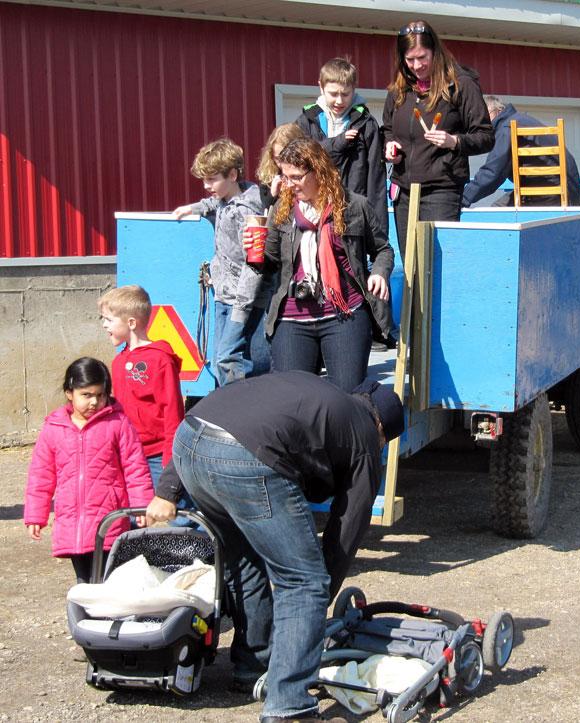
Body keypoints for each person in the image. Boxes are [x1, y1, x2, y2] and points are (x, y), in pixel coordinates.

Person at [144, 371, 404, 721]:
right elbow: (346, 531)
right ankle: (289, 704)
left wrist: (169, 488)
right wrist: (315, 600)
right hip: (244, 458)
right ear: (383, 431)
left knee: (244, 561)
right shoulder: (366, 438)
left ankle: (255, 666)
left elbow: (222, 406)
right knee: (305, 582)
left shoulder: (313, 391)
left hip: (190, 443)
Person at [259, 137, 394, 392]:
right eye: (285, 177)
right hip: (292, 316)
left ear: (318, 171)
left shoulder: (355, 206)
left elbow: (383, 250)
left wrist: (379, 273)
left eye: (296, 177)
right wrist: (254, 253)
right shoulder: (281, 209)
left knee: (346, 394)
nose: (289, 184)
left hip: (344, 314)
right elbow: (270, 263)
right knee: (291, 396)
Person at [23, 358, 154, 584]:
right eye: (86, 395)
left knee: (108, 580)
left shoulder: (118, 423)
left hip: (109, 520)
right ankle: (84, 618)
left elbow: (135, 467)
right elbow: (41, 474)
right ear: (69, 393)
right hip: (72, 523)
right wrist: (36, 514)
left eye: (100, 395)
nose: (94, 401)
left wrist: (141, 506)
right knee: (83, 581)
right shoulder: (53, 428)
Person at [296, 57, 396, 350]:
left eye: (346, 94)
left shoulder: (366, 122)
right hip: (314, 207)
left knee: (357, 265)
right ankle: (319, 327)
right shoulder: (308, 119)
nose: (339, 100)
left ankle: (375, 329)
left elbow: (376, 175)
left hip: (353, 206)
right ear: (321, 87)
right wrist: (335, 143)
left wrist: (377, 217)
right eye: (333, 93)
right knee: (315, 261)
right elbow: (300, 157)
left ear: (355, 90)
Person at [382, 19, 493, 257]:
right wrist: (389, 145)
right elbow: (387, 129)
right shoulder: (398, 90)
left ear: (435, 52)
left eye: (422, 57)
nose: (416, 65)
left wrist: (454, 141)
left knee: (438, 266)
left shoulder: (461, 85)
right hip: (404, 191)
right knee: (412, 267)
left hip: (442, 190)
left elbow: (485, 136)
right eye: (409, 60)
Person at [173, 137, 270, 386]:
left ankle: (236, 409)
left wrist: (242, 307)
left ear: (233, 174)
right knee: (220, 357)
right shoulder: (226, 200)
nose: (206, 186)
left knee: (229, 357)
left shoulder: (246, 212)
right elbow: (212, 203)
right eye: (204, 179)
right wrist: (192, 208)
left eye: (212, 179)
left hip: (242, 299)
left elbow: (254, 264)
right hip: (223, 294)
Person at [97, 284, 198, 525]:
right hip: (128, 454)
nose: (104, 325)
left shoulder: (159, 359)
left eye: (109, 320)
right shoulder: (119, 362)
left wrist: (170, 459)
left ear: (131, 322)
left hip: (156, 456)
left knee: (177, 511)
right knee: (131, 515)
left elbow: (172, 412)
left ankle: (197, 555)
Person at [462, 95, 580, 208]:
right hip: (568, 192)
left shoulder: (507, 128)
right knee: (498, 208)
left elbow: (493, 173)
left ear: (496, 111)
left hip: (546, 194)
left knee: (495, 214)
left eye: (481, 117)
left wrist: (462, 198)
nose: (480, 122)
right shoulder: (520, 120)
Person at [256, 122, 307, 213]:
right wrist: (273, 194)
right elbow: (265, 210)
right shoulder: (269, 176)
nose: (282, 164)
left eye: (285, 158)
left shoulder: (308, 173)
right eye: (278, 159)